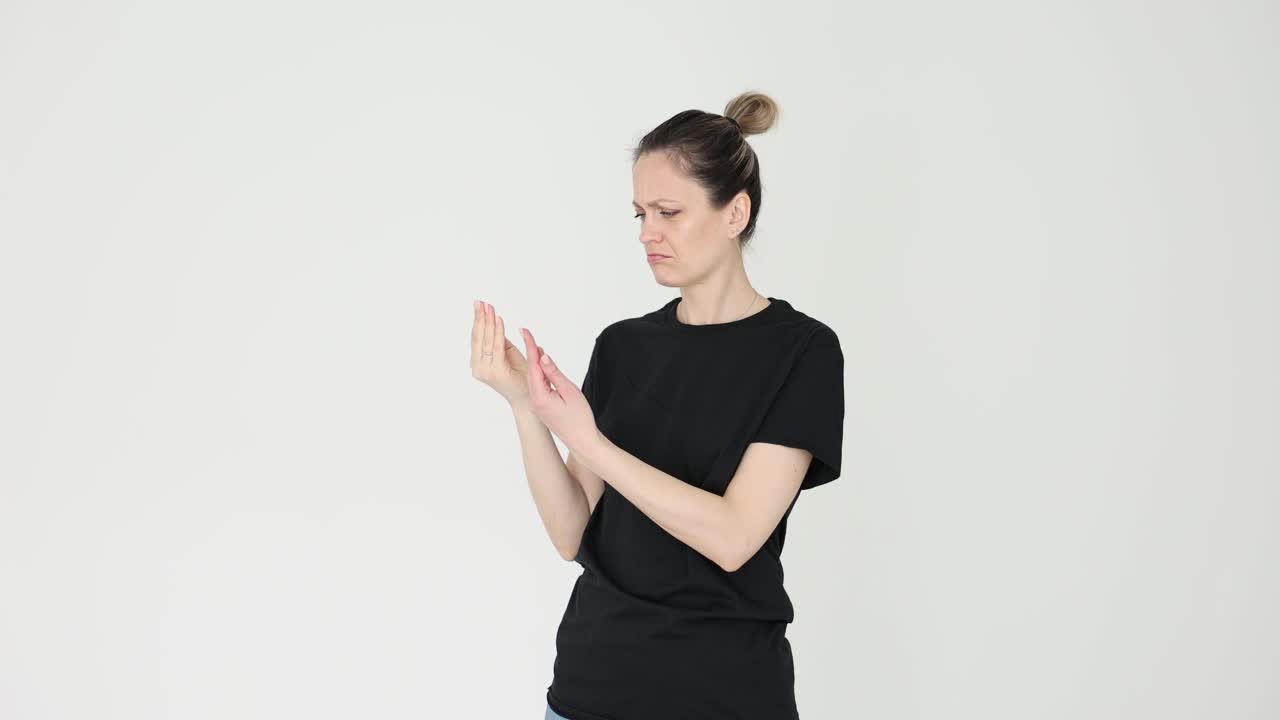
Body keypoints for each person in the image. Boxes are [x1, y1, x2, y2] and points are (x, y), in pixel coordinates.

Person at [470, 90, 845, 720]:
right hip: (589, 691)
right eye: (639, 213)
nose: (648, 233)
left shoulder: (802, 352)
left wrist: (589, 441)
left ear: (735, 213)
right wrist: (526, 409)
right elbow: (572, 535)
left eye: (669, 212)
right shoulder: (623, 347)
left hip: (724, 697)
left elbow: (732, 537)